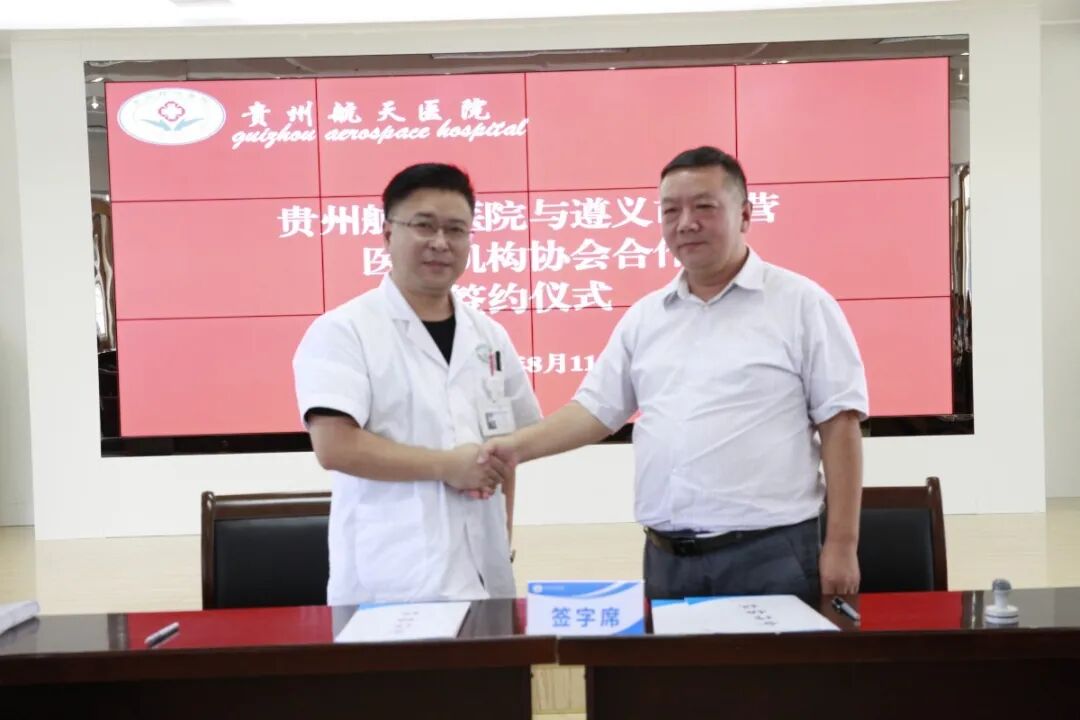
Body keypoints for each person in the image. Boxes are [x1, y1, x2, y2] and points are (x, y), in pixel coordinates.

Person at [480, 146, 868, 600]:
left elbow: (840, 425)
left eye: (704, 207)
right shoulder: (647, 317)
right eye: (671, 210)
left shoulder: (802, 304)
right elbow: (594, 412)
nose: (686, 223)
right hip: (667, 558)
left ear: (745, 214)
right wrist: (510, 449)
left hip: (770, 554)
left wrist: (842, 544)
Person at [293, 162, 541, 605]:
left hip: (485, 577)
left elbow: (508, 450)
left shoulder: (489, 336)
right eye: (424, 226)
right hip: (388, 581)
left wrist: (503, 541)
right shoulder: (344, 330)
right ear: (388, 234)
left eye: (456, 230)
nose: (441, 243)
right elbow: (335, 447)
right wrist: (448, 466)